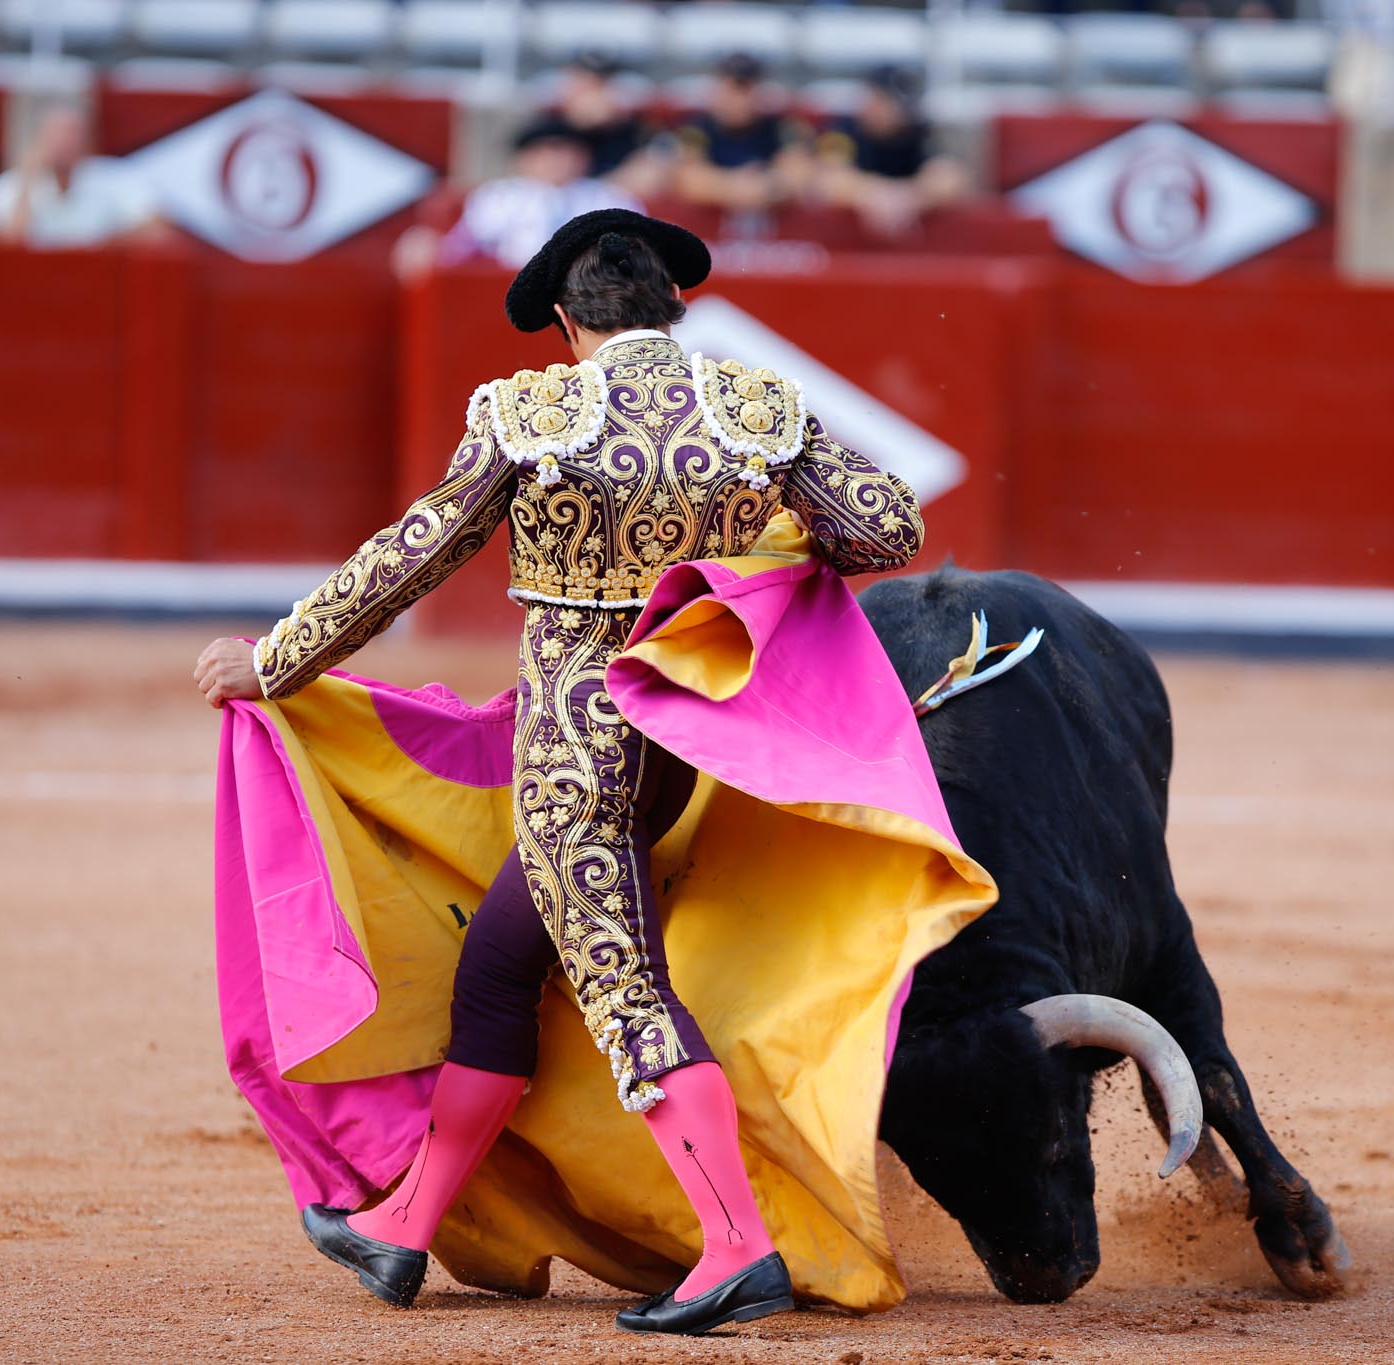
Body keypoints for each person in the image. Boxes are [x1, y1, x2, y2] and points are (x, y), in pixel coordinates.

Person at [192, 209, 929, 1336]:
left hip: (573, 751)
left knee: (620, 986)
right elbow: (884, 526)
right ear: (672, 310)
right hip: (678, 742)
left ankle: (735, 1247)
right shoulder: (750, 407)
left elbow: (412, 554)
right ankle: (403, 1231)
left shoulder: (533, 411)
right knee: (496, 968)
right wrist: (751, 552)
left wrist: (274, 661)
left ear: (568, 323)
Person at [427, 115, 640, 270]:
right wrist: (433, 250)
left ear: (584, 157)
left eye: (564, 151)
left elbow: (635, 251)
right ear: (523, 159)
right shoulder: (497, 196)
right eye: (543, 152)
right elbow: (462, 248)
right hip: (507, 292)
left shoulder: (609, 198)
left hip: (589, 292)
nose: (554, 160)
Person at [811, 67, 969, 240]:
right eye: (879, 99)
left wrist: (907, 198)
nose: (882, 108)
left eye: (891, 102)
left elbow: (949, 178)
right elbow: (827, 177)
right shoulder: (843, 129)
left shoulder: (921, 132)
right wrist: (873, 195)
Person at [0, 104, 163, 250]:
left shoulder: (115, 177)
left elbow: (156, 231)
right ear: (38, 139)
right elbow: (8, 247)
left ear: (89, 140)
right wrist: (27, 180)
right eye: (56, 135)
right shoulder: (7, 186)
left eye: (73, 134)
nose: (65, 143)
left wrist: (92, 251)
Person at [670, 53, 811, 214]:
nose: (739, 99)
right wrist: (739, 186)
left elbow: (798, 174)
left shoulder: (780, 127)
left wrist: (766, 187)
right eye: (732, 89)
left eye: (746, 89)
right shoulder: (696, 128)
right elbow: (689, 179)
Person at [555, 51, 666, 199]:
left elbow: (649, 173)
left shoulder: (631, 127)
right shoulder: (549, 122)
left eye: (601, 81)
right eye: (585, 80)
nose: (594, 90)